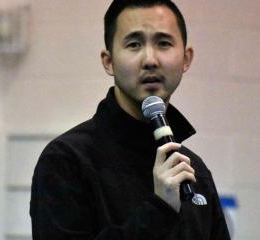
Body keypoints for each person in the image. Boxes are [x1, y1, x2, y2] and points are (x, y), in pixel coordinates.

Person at [30, 0, 230, 239]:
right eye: (134, 44)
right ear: (109, 61)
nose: (150, 60)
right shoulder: (67, 161)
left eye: (164, 43)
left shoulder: (195, 172)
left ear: (186, 58)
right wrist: (160, 209)